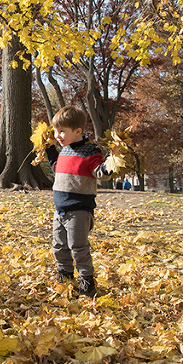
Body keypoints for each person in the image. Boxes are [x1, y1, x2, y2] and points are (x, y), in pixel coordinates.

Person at [44, 106, 112, 298]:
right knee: (59, 246)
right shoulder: (65, 150)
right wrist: (49, 149)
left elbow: (100, 173)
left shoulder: (90, 151)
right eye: (56, 131)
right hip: (60, 209)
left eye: (62, 131)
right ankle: (65, 278)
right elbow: (58, 167)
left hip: (79, 211)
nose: (57, 135)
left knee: (79, 248)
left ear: (78, 132)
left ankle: (87, 283)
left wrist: (111, 164)